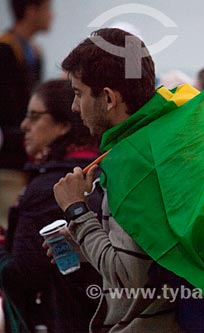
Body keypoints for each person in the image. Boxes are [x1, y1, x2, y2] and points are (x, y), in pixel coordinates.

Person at [53, 28, 181, 332]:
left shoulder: (133, 165)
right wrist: (84, 245)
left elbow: (130, 278)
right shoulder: (155, 142)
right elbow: (145, 259)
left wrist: (77, 211)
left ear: (108, 98)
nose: (74, 107)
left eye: (78, 93)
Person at [0, 79, 101, 332]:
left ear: (63, 125)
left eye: (35, 117)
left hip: (60, 319)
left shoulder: (50, 186)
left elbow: (23, 275)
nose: (24, 126)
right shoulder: (102, 169)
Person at [0, 0, 53, 228]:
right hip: (8, 158)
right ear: (31, 11)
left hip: (26, 155)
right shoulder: (5, 49)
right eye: (47, 9)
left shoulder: (33, 50)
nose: (52, 15)